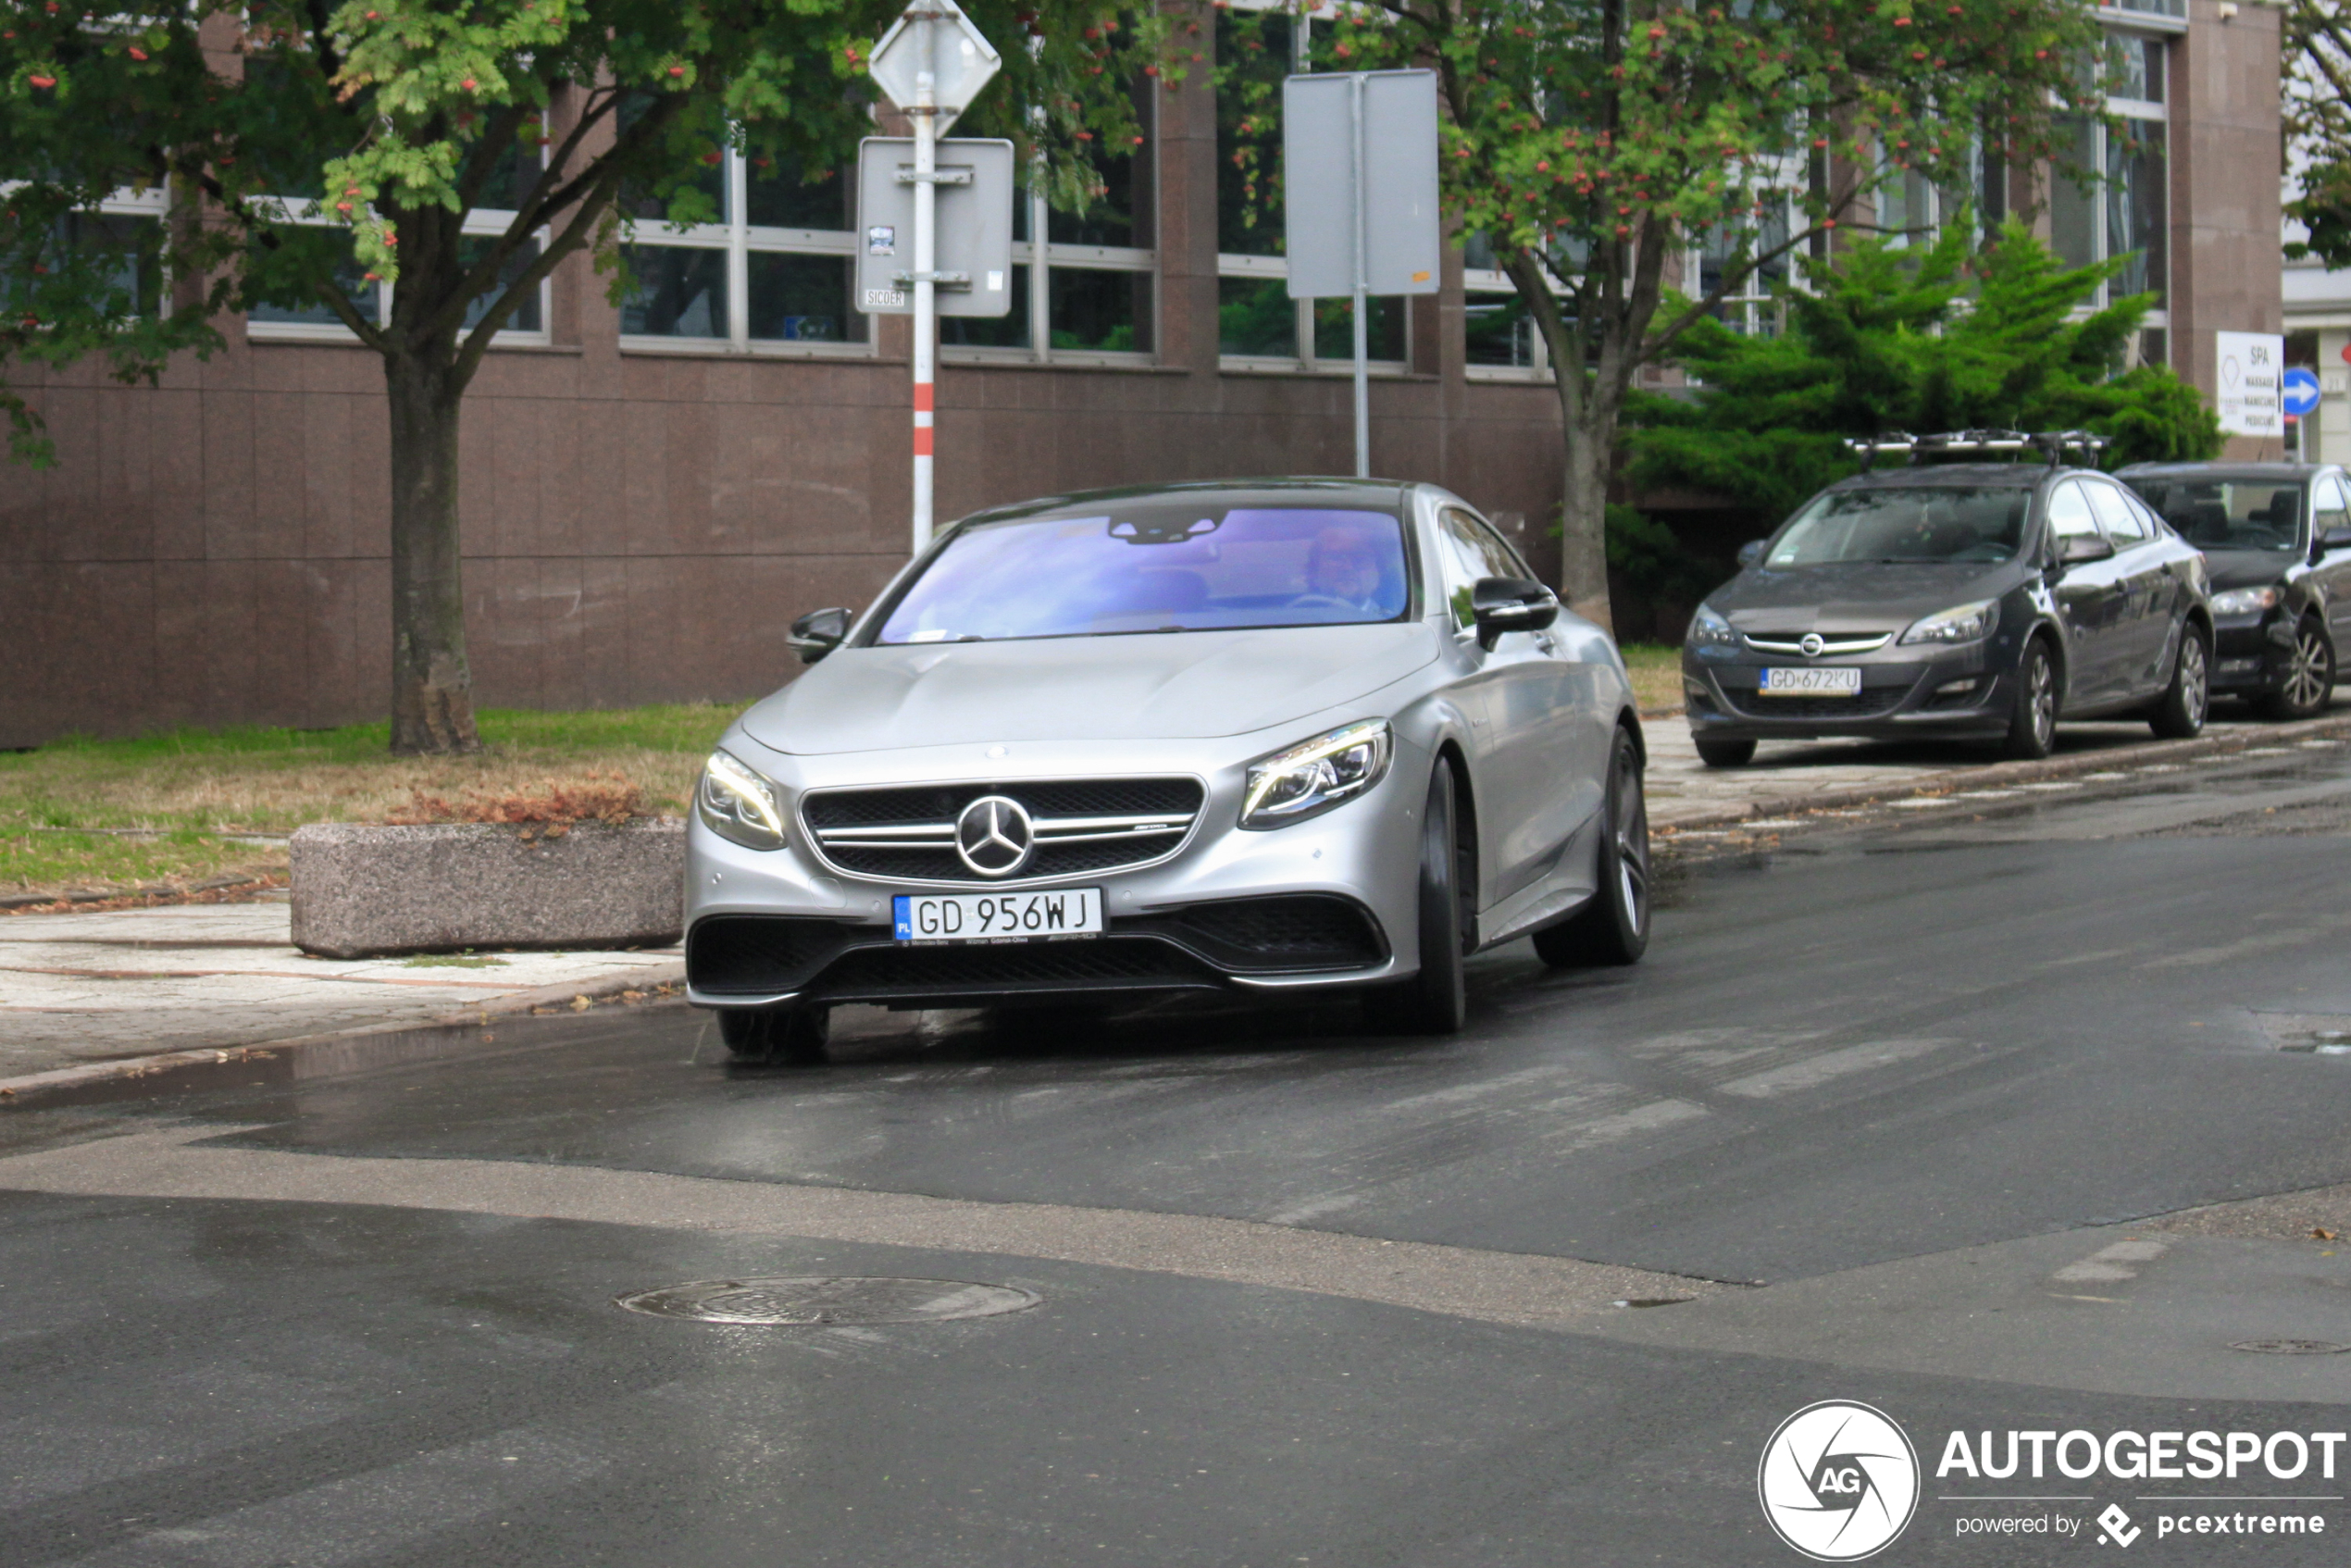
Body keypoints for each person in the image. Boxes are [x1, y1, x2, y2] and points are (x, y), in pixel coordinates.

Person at [1295, 525, 1388, 613]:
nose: (1348, 567)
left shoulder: (1396, 624)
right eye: (1336, 557)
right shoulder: (1291, 619)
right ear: (1314, 572)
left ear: (1378, 572)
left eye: (1359, 557)